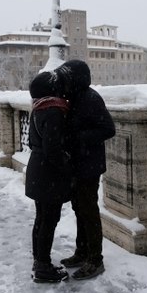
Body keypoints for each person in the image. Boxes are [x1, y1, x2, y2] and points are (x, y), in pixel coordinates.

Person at [55, 60, 116, 280]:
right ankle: (81, 252)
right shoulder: (75, 97)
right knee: (79, 209)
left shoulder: (91, 98)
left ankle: (95, 260)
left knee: (88, 211)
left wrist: (77, 138)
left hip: (89, 165)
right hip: (78, 163)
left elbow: (108, 129)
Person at [25, 71, 72, 283]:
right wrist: (67, 163)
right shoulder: (53, 111)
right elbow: (53, 149)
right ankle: (43, 267)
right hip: (48, 173)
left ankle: (39, 261)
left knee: (41, 218)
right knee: (49, 220)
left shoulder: (37, 108)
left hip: (37, 169)